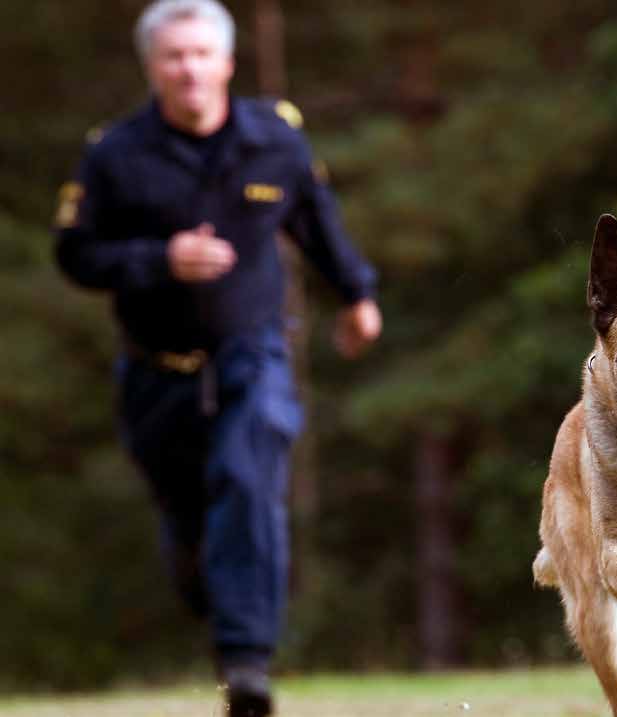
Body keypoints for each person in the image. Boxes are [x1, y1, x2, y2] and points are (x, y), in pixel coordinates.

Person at [53, 1, 382, 714]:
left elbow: (316, 220)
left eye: (202, 54)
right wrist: (160, 258)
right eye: (174, 56)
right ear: (153, 67)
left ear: (227, 62)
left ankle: (247, 666)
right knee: (193, 525)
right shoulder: (114, 154)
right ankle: (215, 597)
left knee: (248, 474)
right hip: (153, 371)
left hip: (252, 351)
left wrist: (357, 295)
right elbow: (74, 253)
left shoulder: (275, 140)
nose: (189, 68)